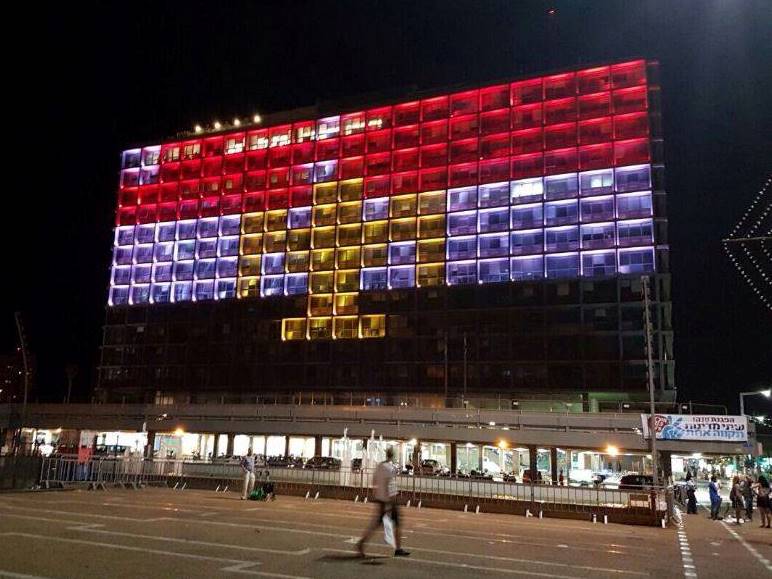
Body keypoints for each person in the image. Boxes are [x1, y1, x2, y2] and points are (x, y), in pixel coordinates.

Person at [357, 447, 410, 558]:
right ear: (393, 456)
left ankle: (361, 544)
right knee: (398, 523)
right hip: (389, 500)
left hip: (381, 499)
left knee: (376, 524)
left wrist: (377, 495)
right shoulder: (390, 468)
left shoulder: (380, 466)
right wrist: (390, 502)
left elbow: (374, 482)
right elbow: (388, 485)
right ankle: (398, 549)